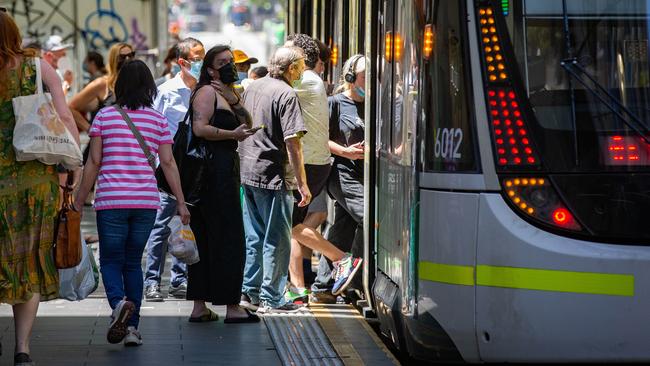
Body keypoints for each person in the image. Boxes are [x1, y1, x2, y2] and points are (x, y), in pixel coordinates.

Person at [73, 59, 191, 347]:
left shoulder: (105, 117)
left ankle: (117, 305)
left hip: (111, 200)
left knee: (111, 259)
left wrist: (78, 199)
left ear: (120, 85)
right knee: (132, 263)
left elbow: (94, 162)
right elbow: (168, 163)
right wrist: (181, 201)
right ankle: (132, 329)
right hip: (145, 202)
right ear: (150, 87)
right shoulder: (157, 119)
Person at [0, 11, 81, 366]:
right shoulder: (36, 67)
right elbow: (64, 117)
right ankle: (22, 349)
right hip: (35, 183)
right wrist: (73, 165)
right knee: (29, 262)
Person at [284, 34, 362, 305]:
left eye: (286, 54)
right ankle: (308, 286)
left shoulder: (305, 80)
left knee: (292, 224)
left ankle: (342, 263)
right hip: (325, 166)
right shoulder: (319, 89)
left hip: (309, 164)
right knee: (297, 224)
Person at [186, 45, 258, 323]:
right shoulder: (205, 92)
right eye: (223, 62)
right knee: (226, 239)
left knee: (210, 238)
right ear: (210, 69)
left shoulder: (228, 93)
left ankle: (202, 306)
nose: (230, 65)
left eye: (231, 61)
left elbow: (248, 122)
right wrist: (232, 134)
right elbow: (199, 128)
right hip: (212, 174)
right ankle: (230, 306)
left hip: (223, 170)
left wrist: (235, 101)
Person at [239, 46, 311, 314]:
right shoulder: (287, 93)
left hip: (248, 170)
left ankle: (250, 293)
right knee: (278, 238)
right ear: (291, 68)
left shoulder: (254, 87)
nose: (303, 71)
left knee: (254, 236)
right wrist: (302, 183)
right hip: (275, 175)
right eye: (301, 66)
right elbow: (293, 143)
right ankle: (272, 297)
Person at [144, 37, 205, 302]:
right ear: (183, 62)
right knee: (160, 228)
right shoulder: (166, 91)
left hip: (196, 171)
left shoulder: (206, 92)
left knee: (187, 225)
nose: (202, 62)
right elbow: (151, 130)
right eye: (197, 57)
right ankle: (152, 282)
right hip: (167, 170)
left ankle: (180, 280)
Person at [311, 54, 367, 302]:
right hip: (341, 171)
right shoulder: (334, 103)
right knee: (369, 217)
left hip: (365, 172)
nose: (371, 83)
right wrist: (346, 151)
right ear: (351, 78)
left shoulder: (376, 104)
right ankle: (351, 279)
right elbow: (317, 137)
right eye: (366, 77)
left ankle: (323, 286)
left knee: (344, 225)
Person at [68, 43, 135, 134]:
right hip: (106, 144)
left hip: (131, 143)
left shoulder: (137, 83)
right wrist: (91, 130)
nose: (127, 59)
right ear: (113, 59)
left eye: (131, 55)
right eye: (122, 57)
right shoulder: (102, 83)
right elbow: (70, 107)